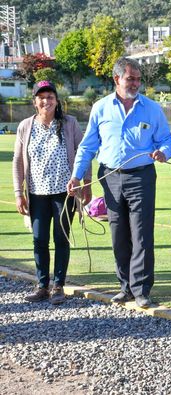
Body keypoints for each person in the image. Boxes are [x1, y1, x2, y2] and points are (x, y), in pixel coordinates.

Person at [67, 57, 171, 309]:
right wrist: (76, 175)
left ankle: (141, 290)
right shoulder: (101, 107)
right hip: (111, 177)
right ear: (117, 79)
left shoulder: (151, 108)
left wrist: (164, 152)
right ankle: (125, 287)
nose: (136, 83)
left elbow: (167, 139)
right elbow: (87, 146)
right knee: (119, 234)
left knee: (142, 234)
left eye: (138, 79)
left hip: (142, 177)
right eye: (131, 79)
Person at [12, 80, 92, 304]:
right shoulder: (25, 126)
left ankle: (58, 285)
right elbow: (18, 161)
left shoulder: (69, 123)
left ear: (57, 101)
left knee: (61, 238)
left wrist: (86, 183)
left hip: (64, 193)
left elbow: (82, 153)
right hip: (37, 193)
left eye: (50, 97)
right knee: (39, 240)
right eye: (41, 97)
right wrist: (19, 193)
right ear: (35, 101)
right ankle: (42, 285)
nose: (46, 101)